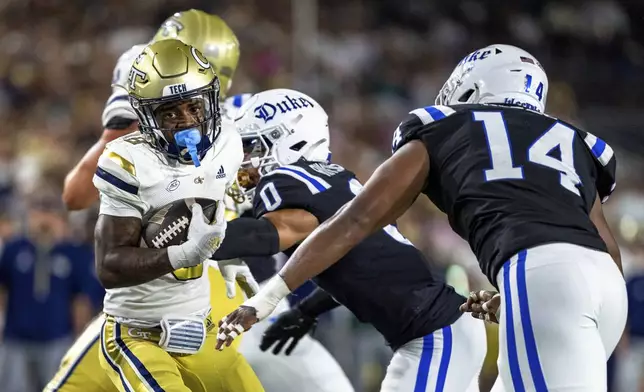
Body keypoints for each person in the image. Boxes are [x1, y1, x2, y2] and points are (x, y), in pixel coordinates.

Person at [218, 45, 628, 392]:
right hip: (608, 286)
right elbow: (602, 242)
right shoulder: (572, 138)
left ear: (475, 85)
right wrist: (530, 303)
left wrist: (267, 299)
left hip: (539, 274)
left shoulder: (441, 125)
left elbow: (355, 222)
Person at [212, 88, 488, 391]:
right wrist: (308, 310)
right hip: (444, 326)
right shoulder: (339, 179)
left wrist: (191, 239)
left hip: (433, 333)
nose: (245, 160)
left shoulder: (286, 180)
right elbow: (358, 258)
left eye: (252, 147)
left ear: (287, 139)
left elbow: (268, 233)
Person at [45, 11, 254, 392]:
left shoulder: (156, 118)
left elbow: (75, 194)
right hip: (228, 288)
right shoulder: (232, 125)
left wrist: (133, 116)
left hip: (171, 286)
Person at [91, 39, 262, 391]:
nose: (187, 122)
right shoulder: (128, 162)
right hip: (138, 333)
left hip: (202, 328)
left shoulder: (228, 143)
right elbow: (109, 265)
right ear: (146, 116)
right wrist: (186, 254)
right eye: (169, 112)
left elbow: (217, 198)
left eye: (194, 107)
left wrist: (225, 250)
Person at [0, 197, 94, 392]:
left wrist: (78, 337)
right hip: (17, 337)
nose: (44, 220)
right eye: (39, 214)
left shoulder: (74, 252)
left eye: (50, 215)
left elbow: (81, 300)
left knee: (56, 388)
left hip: (57, 337)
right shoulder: (14, 248)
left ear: (61, 219)